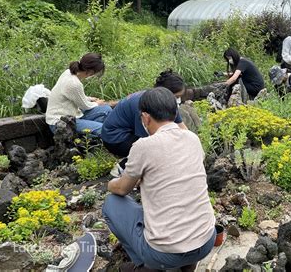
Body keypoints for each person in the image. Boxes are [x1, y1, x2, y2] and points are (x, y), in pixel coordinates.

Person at [102, 87, 215, 272]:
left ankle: (145, 266)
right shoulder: (193, 139)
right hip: (206, 241)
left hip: (164, 253)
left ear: (145, 117)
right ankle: (186, 267)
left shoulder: (143, 146)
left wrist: (110, 183)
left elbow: (122, 189)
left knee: (111, 202)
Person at [102, 70, 187, 162]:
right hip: (115, 139)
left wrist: (189, 143)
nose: (178, 100)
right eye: (176, 96)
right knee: (155, 150)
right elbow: (147, 140)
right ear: (165, 93)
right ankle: (124, 165)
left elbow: (181, 127)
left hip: (132, 132)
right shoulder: (142, 104)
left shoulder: (166, 101)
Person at [45, 53, 112, 137]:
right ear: (91, 72)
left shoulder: (69, 72)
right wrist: (98, 103)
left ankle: (89, 136)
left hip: (72, 115)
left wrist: (90, 99)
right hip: (60, 123)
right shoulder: (74, 83)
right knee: (103, 129)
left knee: (106, 109)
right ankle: (86, 139)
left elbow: (72, 95)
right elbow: (85, 106)